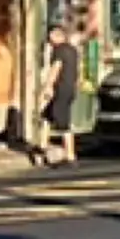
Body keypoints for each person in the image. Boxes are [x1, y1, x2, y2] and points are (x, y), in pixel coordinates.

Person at [40, 15, 85, 167]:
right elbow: (79, 70)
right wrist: (76, 85)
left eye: (50, 37)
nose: (49, 40)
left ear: (56, 35)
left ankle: (71, 156)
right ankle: (43, 147)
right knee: (47, 116)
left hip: (60, 89)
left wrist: (48, 86)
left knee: (63, 123)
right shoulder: (73, 50)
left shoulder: (59, 51)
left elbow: (56, 68)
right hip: (69, 89)